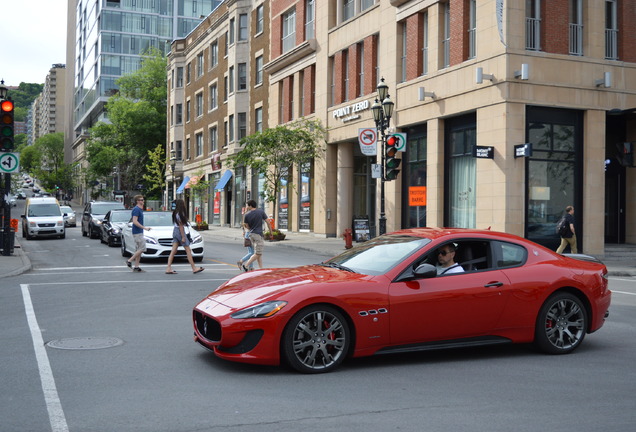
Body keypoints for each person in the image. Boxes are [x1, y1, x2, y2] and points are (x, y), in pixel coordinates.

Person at [165, 199, 204, 275]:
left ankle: (168, 268)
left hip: (175, 231)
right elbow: (181, 226)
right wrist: (183, 237)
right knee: (188, 250)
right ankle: (194, 268)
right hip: (180, 232)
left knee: (173, 251)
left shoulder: (175, 213)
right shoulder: (181, 213)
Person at [126, 195, 151, 272]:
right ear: (137, 201)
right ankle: (129, 260)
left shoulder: (140, 209)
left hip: (139, 232)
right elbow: (135, 221)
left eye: (143, 200)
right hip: (137, 232)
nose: (142, 201)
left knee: (139, 250)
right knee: (142, 248)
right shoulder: (136, 209)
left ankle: (136, 267)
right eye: (141, 200)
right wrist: (144, 228)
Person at [243, 200, 268, 270]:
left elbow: (246, 226)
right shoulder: (261, 212)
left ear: (250, 206)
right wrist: (271, 232)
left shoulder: (247, 214)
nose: (247, 206)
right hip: (258, 234)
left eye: (247, 205)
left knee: (258, 252)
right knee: (258, 253)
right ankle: (246, 265)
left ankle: (261, 268)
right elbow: (268, 222)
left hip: (251, 234)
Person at [237, 204, 255, 272]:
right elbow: (248, 226)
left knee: (251, 252)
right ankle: (241, 261)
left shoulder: (245, 215)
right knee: (252, 253)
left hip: (246, 234)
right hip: (249, 234)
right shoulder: (248, 216)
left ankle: (251, 267)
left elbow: (243, 226)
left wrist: (243, 232)